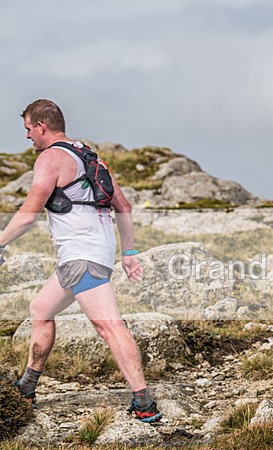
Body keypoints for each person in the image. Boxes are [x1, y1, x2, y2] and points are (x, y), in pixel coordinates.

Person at [0, 99, 161, 422]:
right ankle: (27, 387)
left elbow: (29, 214)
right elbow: (124, 207)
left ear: (42, 127)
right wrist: (128, 254)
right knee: (41, 310)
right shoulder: (88, 155)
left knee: (109, 326)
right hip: (92, 255)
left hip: (81, 256)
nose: (27, 136)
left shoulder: (50, 158)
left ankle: (144, 402)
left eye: (29, 129)